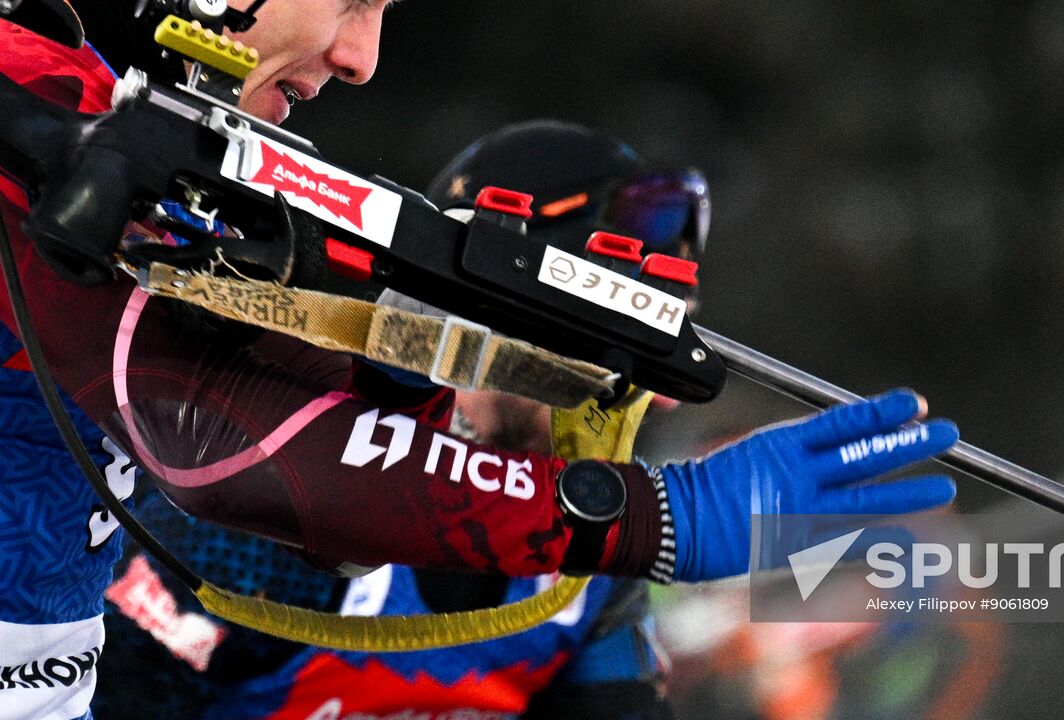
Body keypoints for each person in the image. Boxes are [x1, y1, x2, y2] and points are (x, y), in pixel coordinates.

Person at [0, 0, 960, 719]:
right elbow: (211, 431)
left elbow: (272, 393)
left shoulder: (119, 112)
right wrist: (644, 519)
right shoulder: (36, 84)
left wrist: (400, 359)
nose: (364, 56)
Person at [96, 121, 696, 720]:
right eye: (614, 359)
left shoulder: (594, 558)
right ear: (491, 318)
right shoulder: (287, 495)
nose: (651, 402)